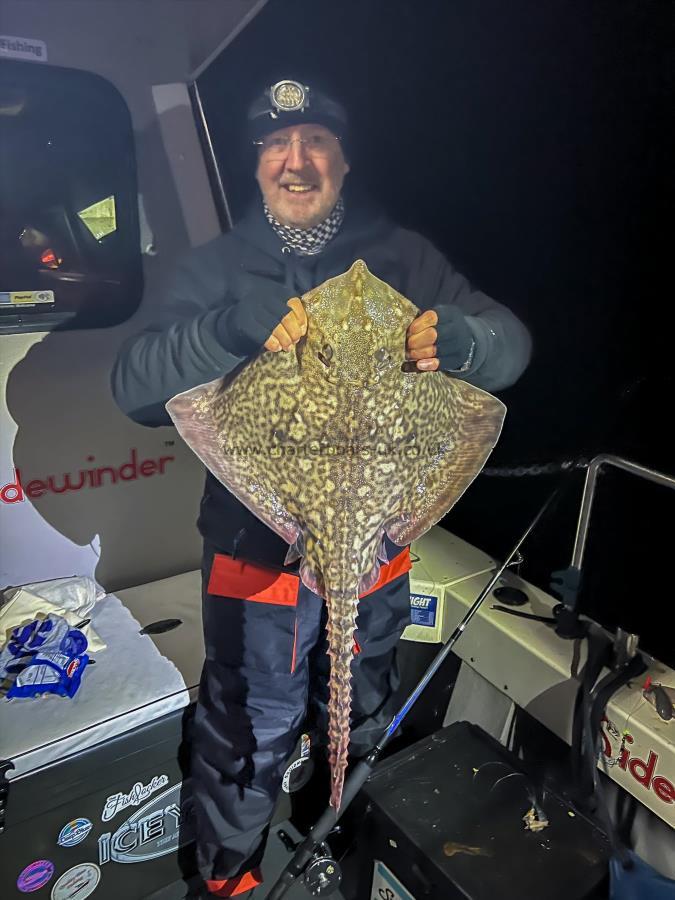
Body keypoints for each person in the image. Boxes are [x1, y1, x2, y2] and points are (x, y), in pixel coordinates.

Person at [111, 78, 531, 897]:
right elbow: (133, 385)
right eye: (275, 145)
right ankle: (227, 878)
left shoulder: (404, 257)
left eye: (313, 143)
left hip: (379, 542)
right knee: (252, 725)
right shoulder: (217, 268)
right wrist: (227, 327)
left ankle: (343, 827)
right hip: (257, 555)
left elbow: (508, 348)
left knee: (366, 698)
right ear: (256, 163)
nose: (294, 160)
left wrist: (465, 339)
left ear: (342, 159)